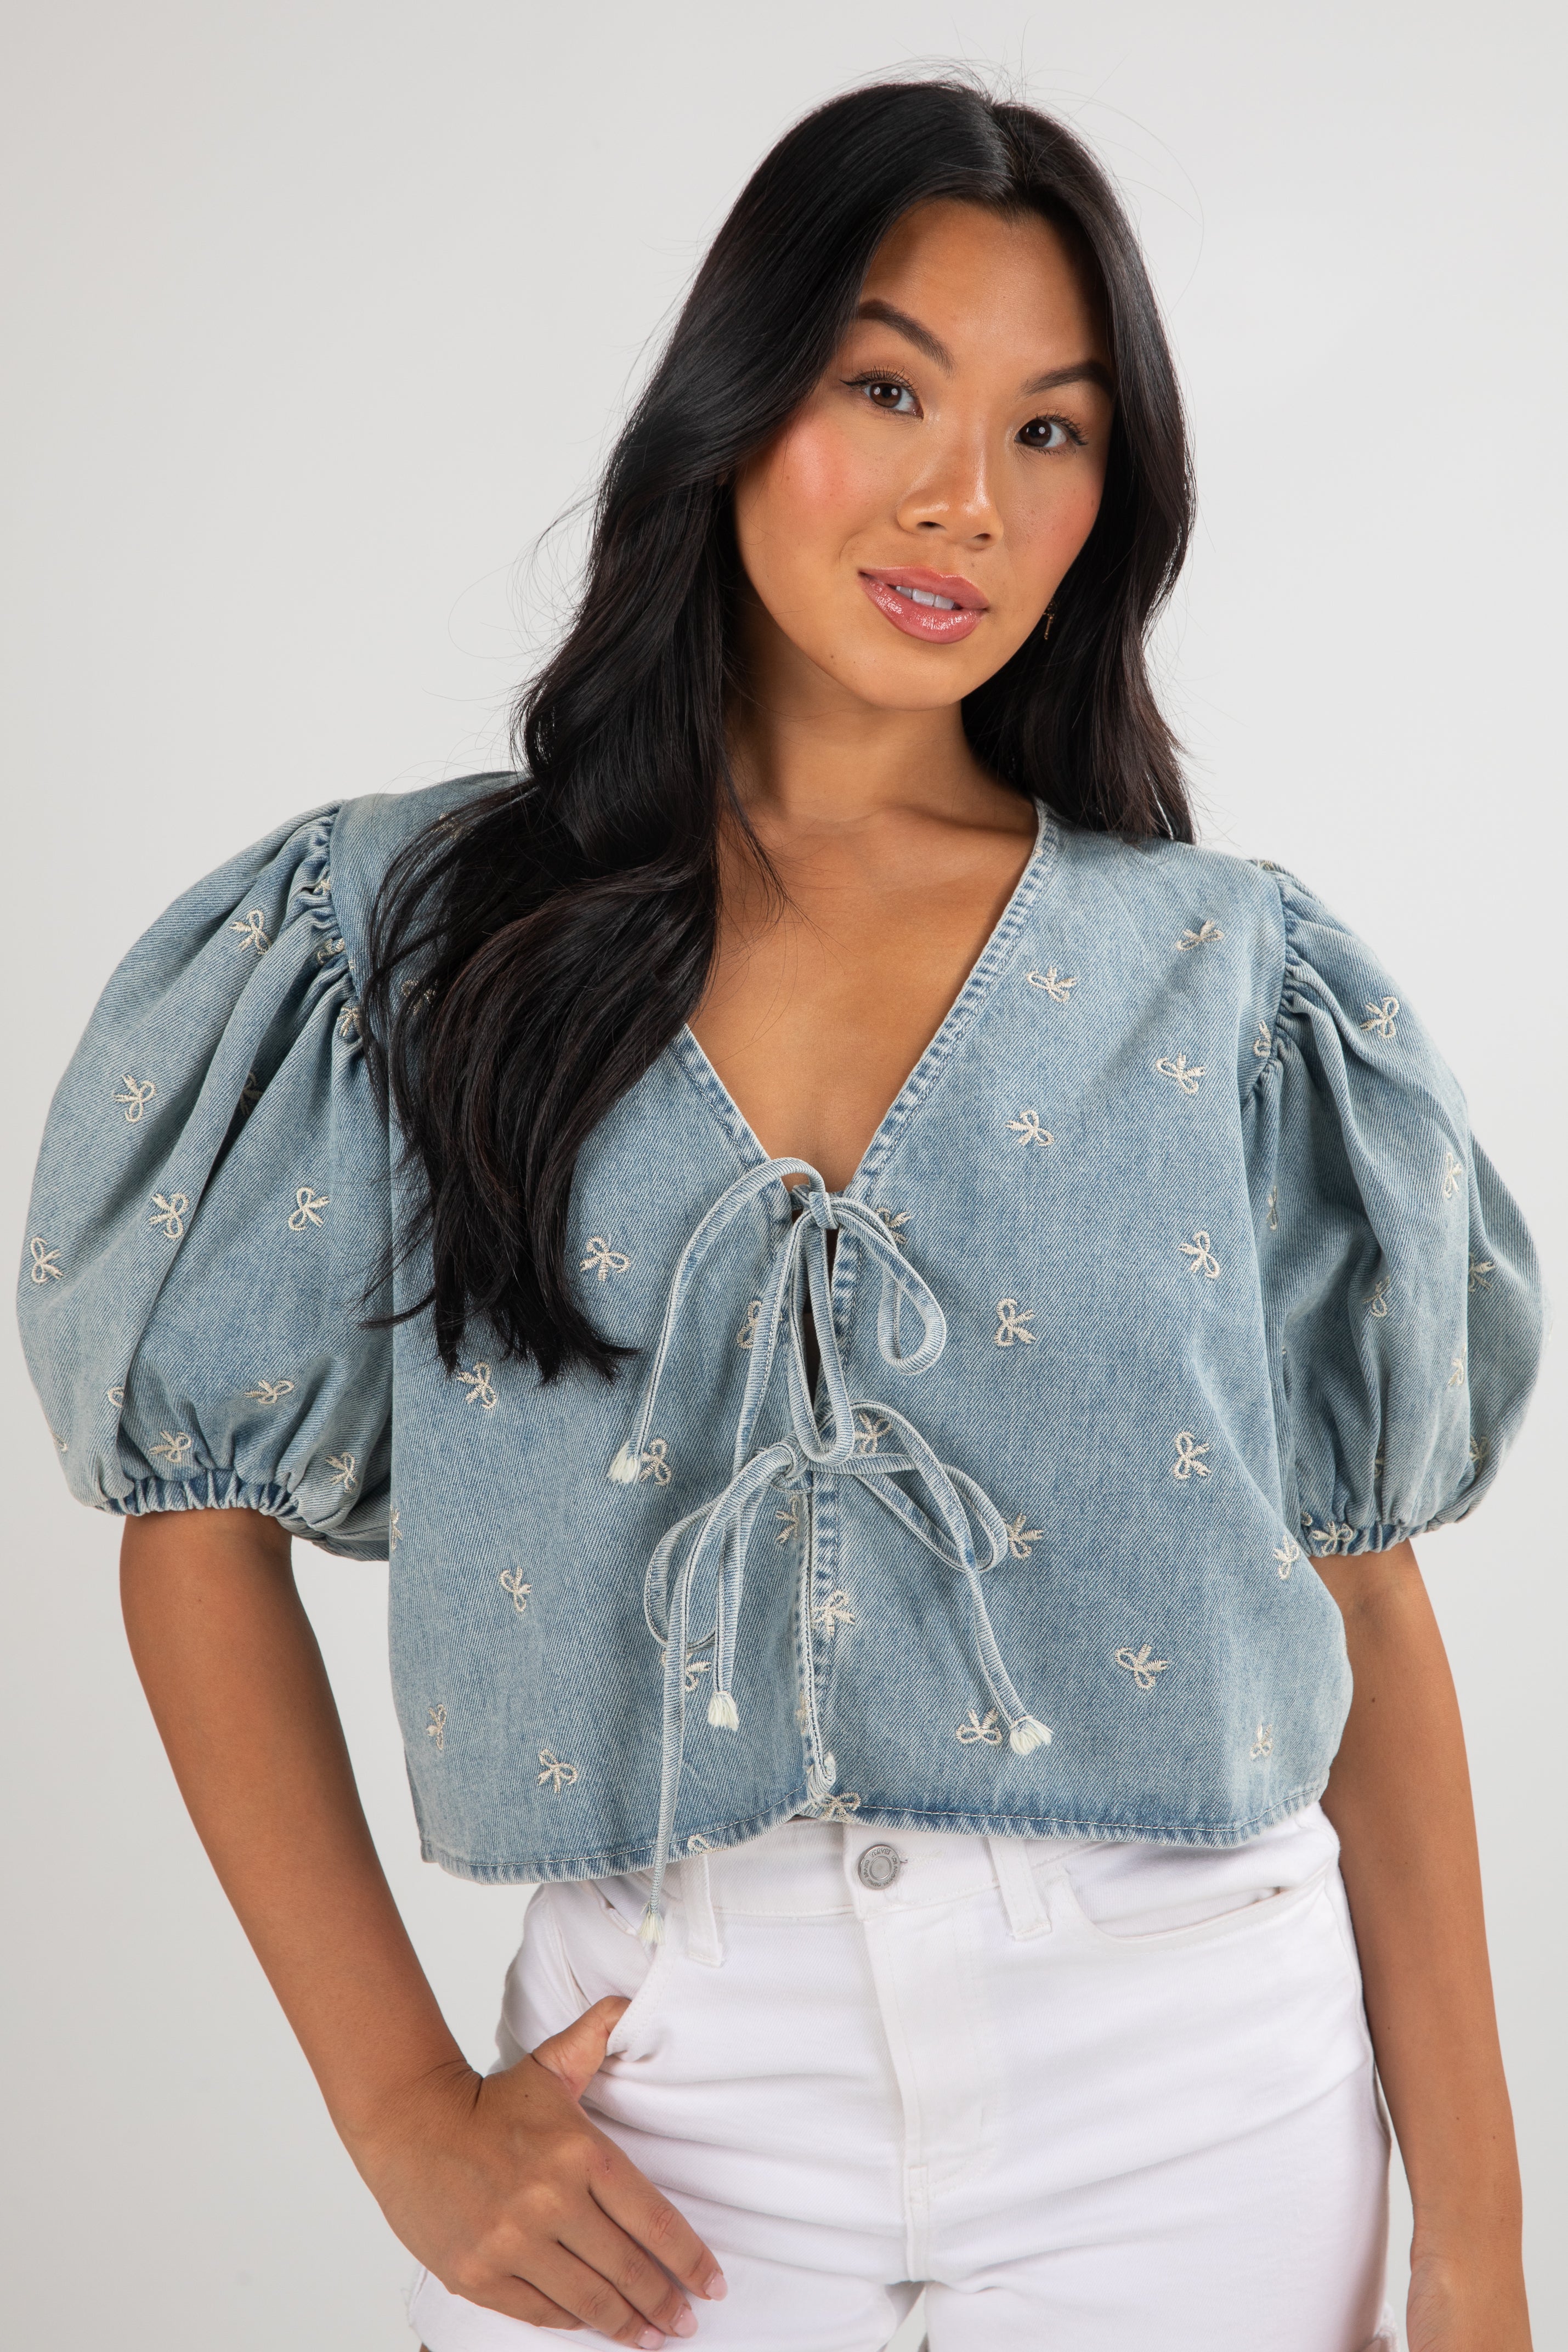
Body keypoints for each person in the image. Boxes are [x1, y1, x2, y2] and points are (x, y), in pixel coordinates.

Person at [18, 77, 1544, 2352]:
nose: (965, 495)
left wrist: (1481, 2248)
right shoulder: (407, 943)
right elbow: (193, 1526)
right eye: (889, 383)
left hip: (1196, 2104)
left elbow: (1367, 1610)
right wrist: (398, 2106)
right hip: (658, 2129)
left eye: (1055, 431)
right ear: (735, 398)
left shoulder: (1233, 980)